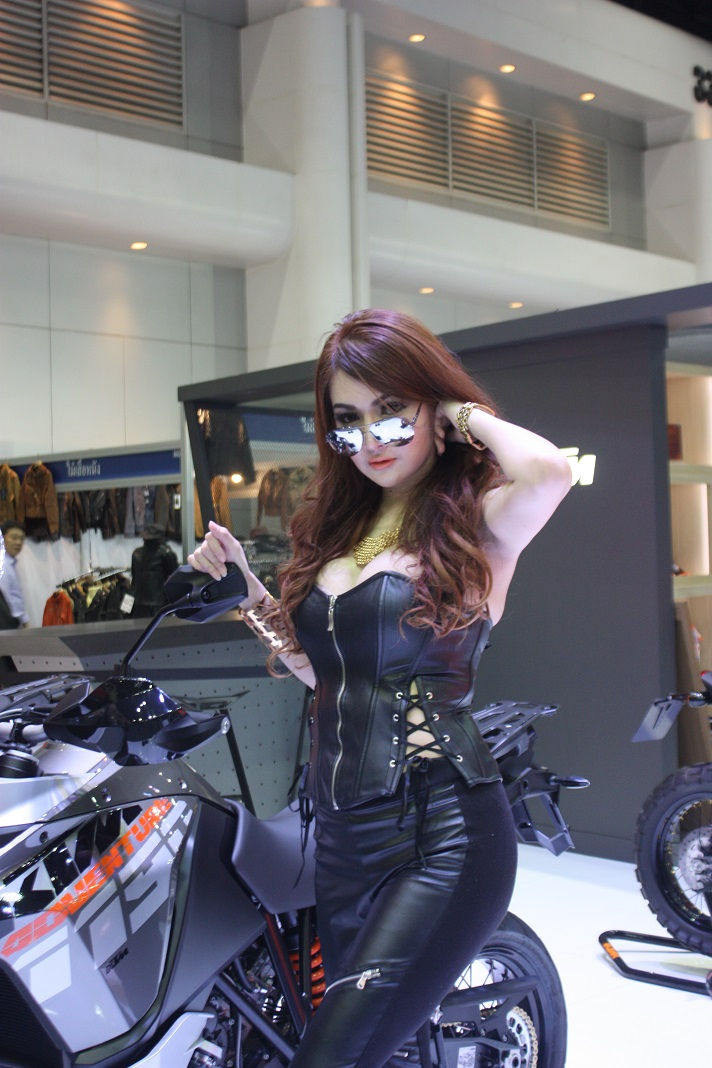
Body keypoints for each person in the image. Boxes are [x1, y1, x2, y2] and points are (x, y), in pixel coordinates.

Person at [188, 309, 572, 1067]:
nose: (371, 439)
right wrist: (248, 595)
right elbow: (322, 675)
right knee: (381, 1052)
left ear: (435, 409)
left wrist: (457, 411)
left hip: (443, 834)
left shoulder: (478, 523)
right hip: (341, 839)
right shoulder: (342, 532)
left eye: (392, 413)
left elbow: (549, 472)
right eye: (348, 421)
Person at [130, 523, 179, 618]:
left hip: (138, 602)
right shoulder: (166, 553)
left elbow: (134, 578)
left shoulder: (136, 553)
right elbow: (175, 577)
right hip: (160, 602)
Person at [0, 521, 29, 628]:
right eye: (14, 538)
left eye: (21, 539)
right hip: (7, 624)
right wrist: (25, 622)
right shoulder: (3, 565)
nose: (18, 542)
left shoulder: (9, 563)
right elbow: (8, 599)